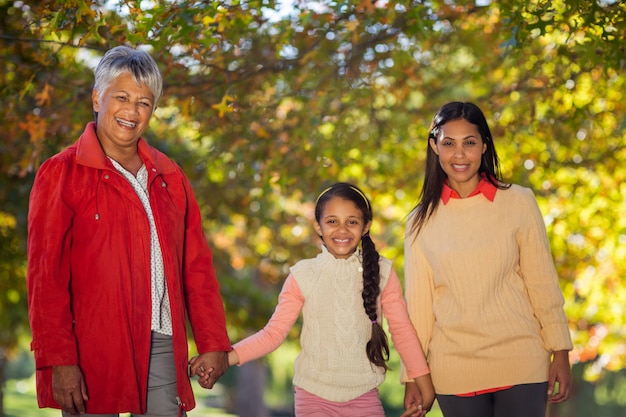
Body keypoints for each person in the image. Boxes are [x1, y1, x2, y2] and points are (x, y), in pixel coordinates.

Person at [26, 45, 231, 417]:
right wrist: (59, 360)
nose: (132, 111)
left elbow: (197, 267)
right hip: (90, 349)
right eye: (121, 97)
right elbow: (46, 277)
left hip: (163, 343)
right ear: (96, 97)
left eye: (144, 102)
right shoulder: (62, 173)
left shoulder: (171, 177)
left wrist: (213, 341)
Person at [192, 182, 434, 416]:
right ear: (318, 226)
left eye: (352, 222)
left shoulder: (383, 272)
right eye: (332, 221)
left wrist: (424, 382)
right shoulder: (303, 275)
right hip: (313, 398)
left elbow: (402, 331)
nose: (342, 230)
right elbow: (273, 334)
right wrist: (226, 358)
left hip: (365, 396)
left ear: (366, 226)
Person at [402, 101, 573, 417]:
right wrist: (412, 375)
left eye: (469, 142)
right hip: (453, 370)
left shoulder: (519, 202)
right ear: (434, 146)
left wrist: (560, 351)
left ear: (484, 145)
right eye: (448, 143)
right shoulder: (419, 222)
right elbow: (418, 308)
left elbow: (542, 283)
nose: (460, 154)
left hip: (522, 362)